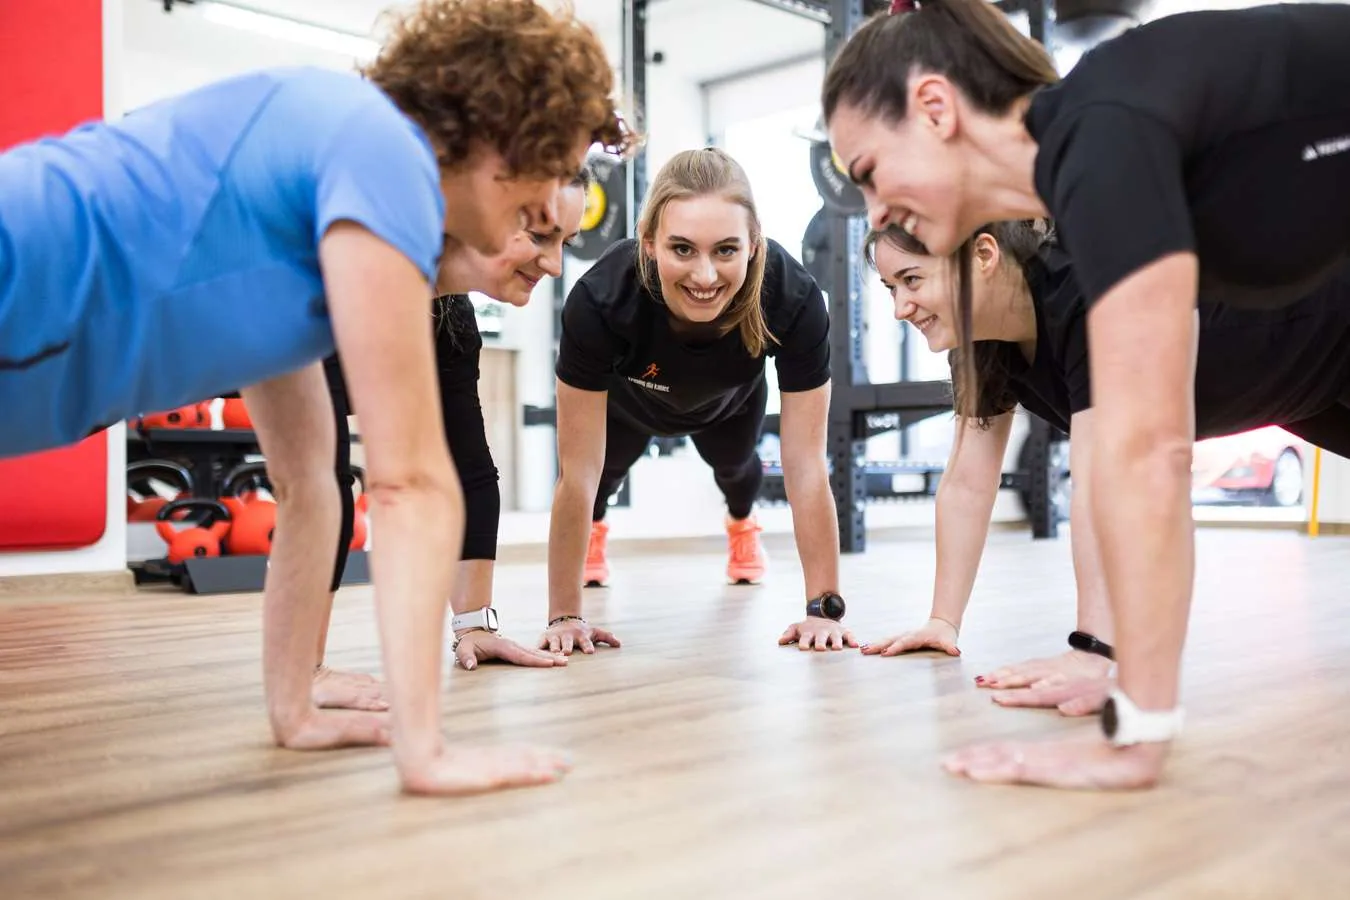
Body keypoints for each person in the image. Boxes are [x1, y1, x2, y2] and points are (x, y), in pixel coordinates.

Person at [0, 0, 633, 796]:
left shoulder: (302, 245)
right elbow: (409, 485)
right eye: (553, 169)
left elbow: (309, 491)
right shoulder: (378, 147)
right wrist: (425, 748)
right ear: (500, 127)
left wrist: (294, 707)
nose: (548, 210)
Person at [823, 0, 1350, 789]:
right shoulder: (1087, 174)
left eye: (867, 172)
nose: (875, 210)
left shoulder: (1105, 134)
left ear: (934, 107)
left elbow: (1147, 450)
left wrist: (1130, 726)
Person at [860, 221, 1350, 715]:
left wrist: (1092, 651)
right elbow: (968, 481)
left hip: (1326, 322)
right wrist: (943, 621)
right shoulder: (983, 344)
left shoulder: (1085, 291)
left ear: (984, 255)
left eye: (912, 280)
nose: (900, 308)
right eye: (890, 289)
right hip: (1299, 385)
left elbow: (1103, 482)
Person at [543, 147, 854, 656]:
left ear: (754, 244)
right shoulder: (601, 300)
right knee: (600, 479)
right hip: (629, 403)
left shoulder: (793, 299)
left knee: (737, 469)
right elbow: (574, 473)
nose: (705, 276)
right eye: (682, 249)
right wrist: (564, 616)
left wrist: (822, 609)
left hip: (728, 402)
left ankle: (741, 527)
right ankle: (596, 537)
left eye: (726, 250)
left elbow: (804, 465)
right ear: (648, 244)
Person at [319, 168, 594, 687]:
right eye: (540, 236)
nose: (556, 265)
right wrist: (304, 675)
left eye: (565, 242)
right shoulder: (349, 278)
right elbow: (316, 493)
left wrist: (474, 624)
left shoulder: (449, 321)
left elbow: (468, 472)